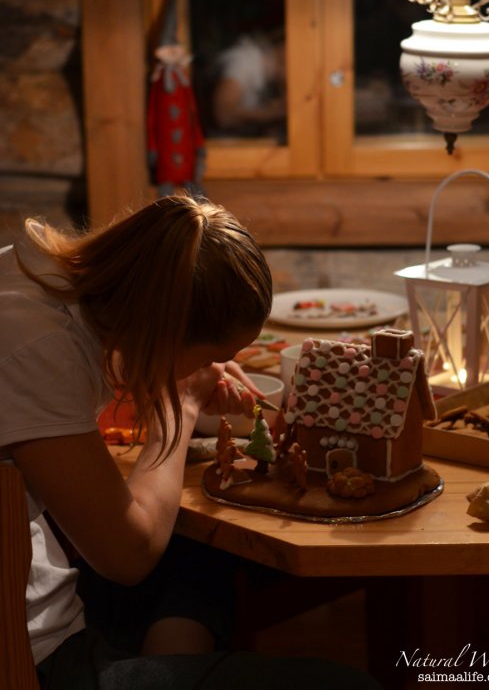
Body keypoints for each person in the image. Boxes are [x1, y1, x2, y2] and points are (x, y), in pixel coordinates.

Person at [0, 193, 380, 689]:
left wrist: (170, 371)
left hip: (39, 584)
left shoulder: (32, 285)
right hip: (32, 655)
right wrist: (178, 409)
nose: (211, 368)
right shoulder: (37, 348)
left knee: (197, 546)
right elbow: (128, 555)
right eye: (210, 356)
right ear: (160, 333)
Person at [212, 33, 286, 137]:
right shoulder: (244, 62)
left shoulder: (268, 76)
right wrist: (272, 113)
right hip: (224, 145)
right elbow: (224, 114)